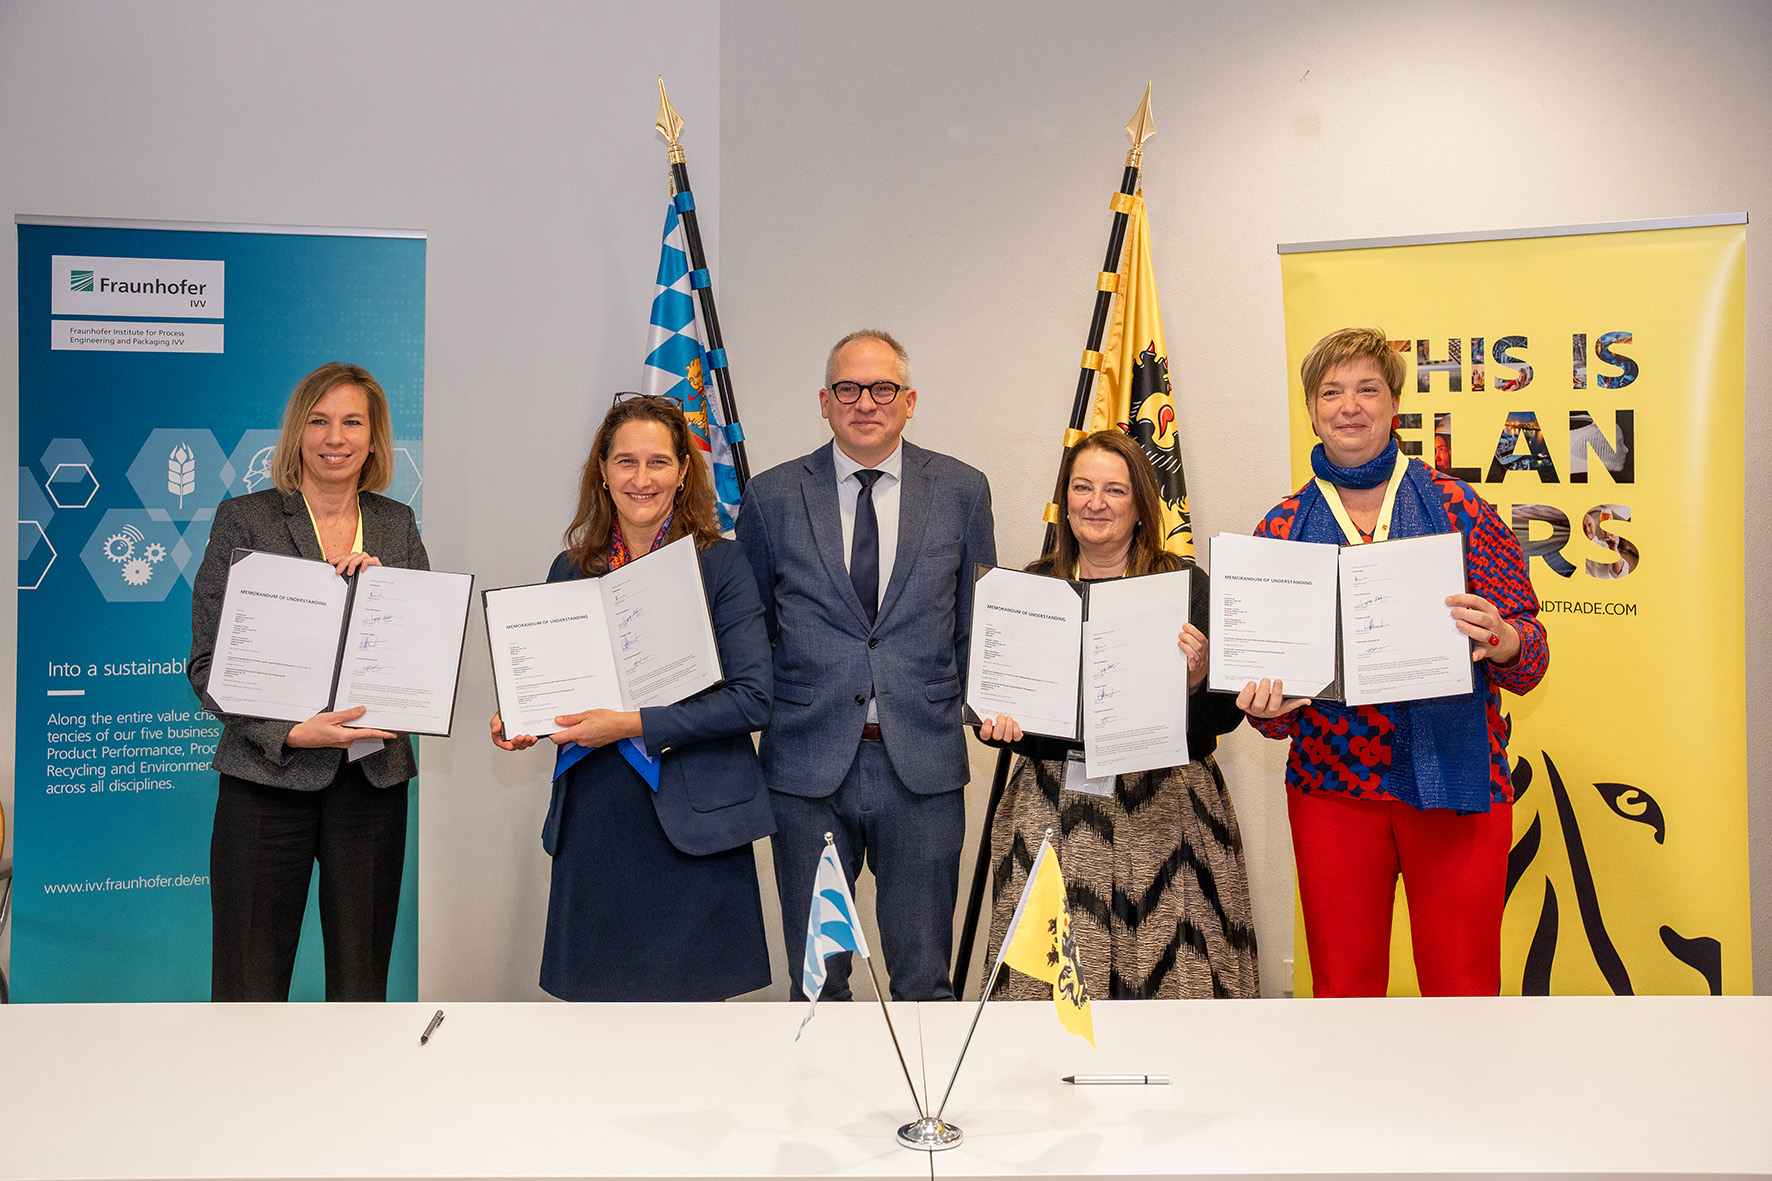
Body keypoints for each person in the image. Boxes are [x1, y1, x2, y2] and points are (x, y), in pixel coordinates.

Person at [1239, 326, 1549, 997]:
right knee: (1344, 992)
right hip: (1333, 792)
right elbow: (1271, 712)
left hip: (1457, 784)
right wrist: (1263, 707)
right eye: (1332, 391)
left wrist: (1505, 636)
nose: (1349, 405)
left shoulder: (1462, 508)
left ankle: (1462, 1105)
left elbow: (1529, 654)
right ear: (1313, 409)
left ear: (1394, 403)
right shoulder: (1282, 528)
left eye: (1366, 388)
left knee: (1463, 992)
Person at [736, 329, 995, 1001]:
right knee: (818, 982)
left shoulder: (963, 490)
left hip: (924, 767)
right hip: (804, 771)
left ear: (909, 401)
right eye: (848, 389)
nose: (865, 403)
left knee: (923, 979)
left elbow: (977, 623)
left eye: (882, 389)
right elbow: (753, 631)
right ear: (824, 402)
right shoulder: (769, 498)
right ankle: (821, 1108)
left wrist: (991, 706)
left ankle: (925, 1109)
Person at [492, 394, 775, 1001]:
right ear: (602, 470)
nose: (641, 479)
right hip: (597, 817)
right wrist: (525, 718)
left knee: (692, 1023)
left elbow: (753, 700)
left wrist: (628, 723)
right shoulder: (570, 569)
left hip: (694, 819)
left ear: (683, 472)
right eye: (625, 462)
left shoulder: (722, 565)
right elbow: (558, 689)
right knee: (594, 1023)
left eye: (657, 463)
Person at [974, 429, 1258, 1001]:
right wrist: (999, 725)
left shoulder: (1187, 587)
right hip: (1052, 808)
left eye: (1114, 490)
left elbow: (1227, 716)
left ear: (1140, 505)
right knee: (1045, 986)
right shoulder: (1028, 588)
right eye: (1082, 487)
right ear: (1064, 498)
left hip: (1171, 812)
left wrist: (1199, 677)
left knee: (1180, 980)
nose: (1095, 503)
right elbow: (996, 702)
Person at [189, 362, 422, 1002]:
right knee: (250, 983)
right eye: (318, 421)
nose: (335, 437)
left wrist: (383, 601)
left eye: (352, 422)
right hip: (266, 781)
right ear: (297, 434)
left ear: (374, 440)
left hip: (371, 781)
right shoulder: (245, 520)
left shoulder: (397, 525)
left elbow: (424, 653)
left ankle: (353, 1102)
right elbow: (209, 665)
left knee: (361, 984)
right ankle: (251, 1102)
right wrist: (291, 731)